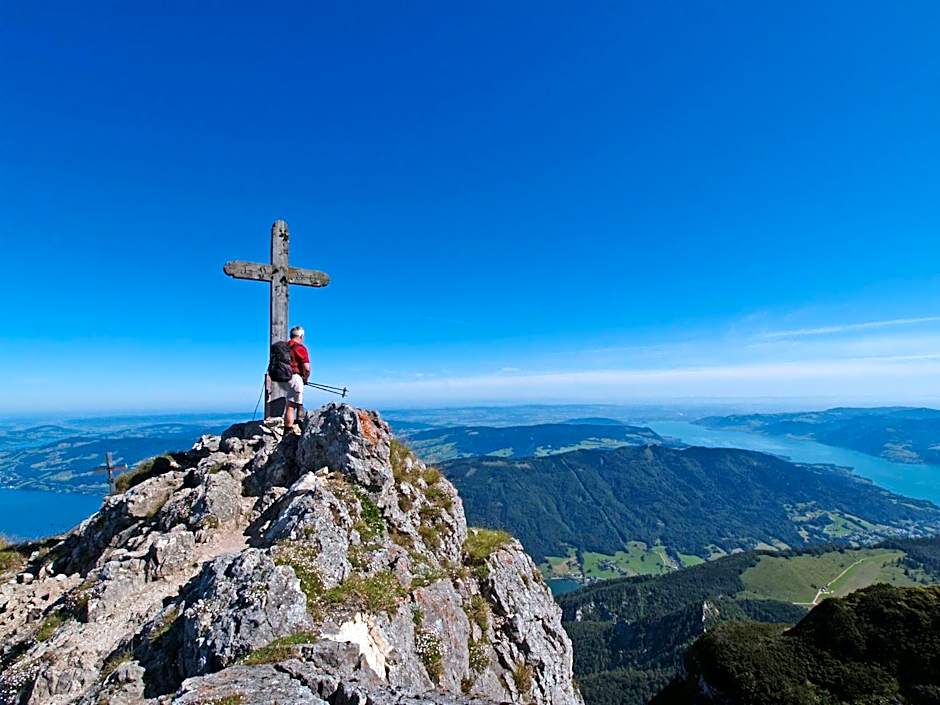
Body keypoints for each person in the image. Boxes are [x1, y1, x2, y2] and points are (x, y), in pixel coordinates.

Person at [270, 325, 311, 431]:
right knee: (292, 405)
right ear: (301, 336)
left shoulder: (285, 347)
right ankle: (289, 431)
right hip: (295, 377)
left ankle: (296, 423)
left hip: (283, 379)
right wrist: (305, 379)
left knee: (294, 402)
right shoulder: (300, 348)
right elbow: (307, 368)